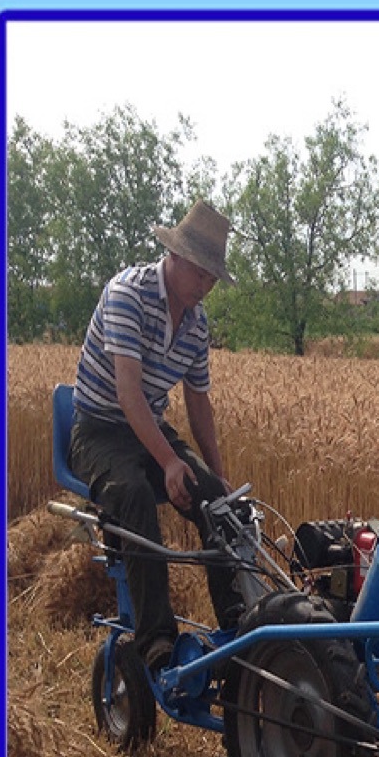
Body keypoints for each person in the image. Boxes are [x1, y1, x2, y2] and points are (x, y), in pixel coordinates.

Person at [69, 200, 244, 674]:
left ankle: (240, 624)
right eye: (203, 274)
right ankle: (157, 641)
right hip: (100, 429)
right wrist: (168, 463)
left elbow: (198, 403)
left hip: (150, 428)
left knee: (216, 502)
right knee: (133, 497)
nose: (207, 285)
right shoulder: (128, 293)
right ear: (177, 257)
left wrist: (218, 476)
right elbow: (128, 395)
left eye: (213, 278)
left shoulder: (196, 323)